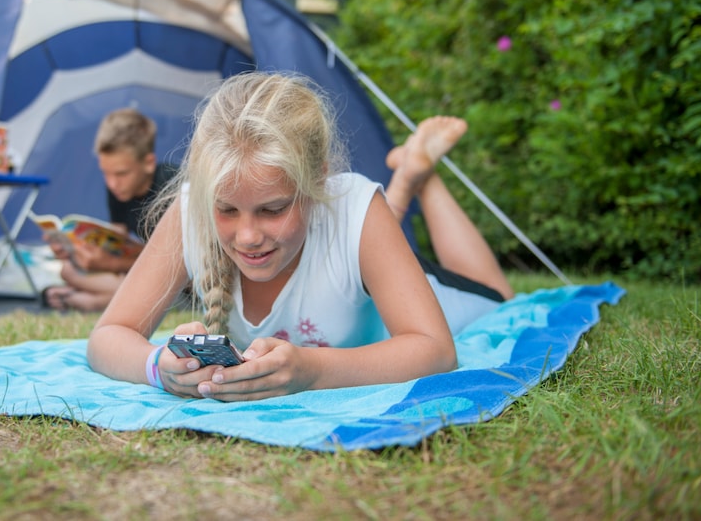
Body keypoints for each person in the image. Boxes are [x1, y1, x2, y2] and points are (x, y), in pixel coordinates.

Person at [86, 72, 513, 401]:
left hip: (445, 297)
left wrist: (312, 369)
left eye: (273, 209)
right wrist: (157, 365)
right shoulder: (190, 209)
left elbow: (436, 351)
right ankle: (409, 175)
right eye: (227, 209)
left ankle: (422, 176)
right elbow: (108, 337)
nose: (248, 236)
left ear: (318, 180)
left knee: (500, 296)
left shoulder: (353, 205)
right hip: (359, 263)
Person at [43, 108, 176, 312]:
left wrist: (113, 264)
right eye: (106, 173)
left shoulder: (171, 187)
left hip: (177, 281)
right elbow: (117, 242)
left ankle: (82, 300)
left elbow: (171, 266)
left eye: (121, 174)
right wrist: (73, 250)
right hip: (140, 273)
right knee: (69, 270)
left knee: (134, 292)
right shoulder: (119, 190)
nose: (113, 183)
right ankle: (86, 296)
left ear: (148, 163)